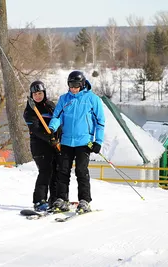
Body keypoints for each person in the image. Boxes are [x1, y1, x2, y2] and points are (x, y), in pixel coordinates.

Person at [48, 70, 105, 213]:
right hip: (66, 141)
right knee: (63, 171)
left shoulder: (92, 99)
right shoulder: (64, 99)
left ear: (82, 84)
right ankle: (62, 199)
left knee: (81, 171)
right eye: (70, 85)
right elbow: (57, 116)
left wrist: (98, 141)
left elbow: (100, 122)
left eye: (76, 85)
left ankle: (84, 200)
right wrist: (52, 127)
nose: (73, 88)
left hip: (84, 142)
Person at [23, 80, 60, 211]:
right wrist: (48, 137)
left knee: (56, 171)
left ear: (44, 93)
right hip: (39, 145)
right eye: (35, 94)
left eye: (40, 93)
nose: (38, 96)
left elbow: (59, 120)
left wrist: (57, 138)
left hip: (53, 144)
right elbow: (36, 130)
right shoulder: (30, 110)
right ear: (31, 95)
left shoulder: (50, 106)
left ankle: (55, 199)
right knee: (45, 171)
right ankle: (39, 200)